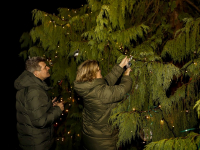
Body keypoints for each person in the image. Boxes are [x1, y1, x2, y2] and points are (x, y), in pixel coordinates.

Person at [74, 56, 133, 150]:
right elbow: (122, 90)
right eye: (98, 70)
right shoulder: (99, 92)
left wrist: (121, 66)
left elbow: (107, 81)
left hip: (91, 136)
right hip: (103, 142)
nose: (100, 70)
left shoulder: (88, 87)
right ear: (92, 75)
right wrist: (126, 76)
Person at [14, 56, 64, 150]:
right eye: (45, 67)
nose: (48, 68)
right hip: (38, 144)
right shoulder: (34, 91)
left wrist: (49, 105)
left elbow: (32, 111)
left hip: (32, 141)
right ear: (36, 74)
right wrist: (58, 109)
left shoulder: (29, 86)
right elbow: (40, 121)